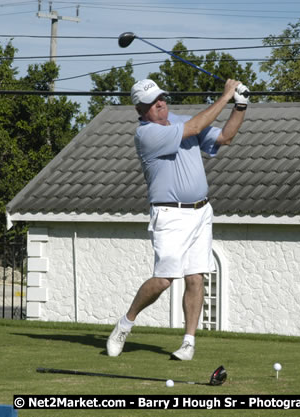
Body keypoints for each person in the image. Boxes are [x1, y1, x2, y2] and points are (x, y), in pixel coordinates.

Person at [106, 78, 248, 360]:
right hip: (169, 214)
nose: (159, 104)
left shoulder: (182, 122)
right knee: (164, 279)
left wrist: (240, 106)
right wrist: (226, 96)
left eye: (161, 98)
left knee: (196, 276)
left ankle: (188, 343)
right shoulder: (146, 134)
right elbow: (195, 127)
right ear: (140, 109)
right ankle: (125, 324)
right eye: (151, 102)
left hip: (201, 211)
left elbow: (225, 138)